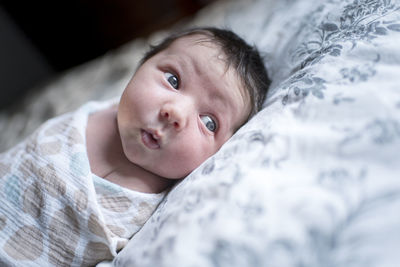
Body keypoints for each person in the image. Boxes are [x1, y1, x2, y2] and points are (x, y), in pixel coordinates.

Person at [0, 27, 270, 266]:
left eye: (209, 122)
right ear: (141, 66)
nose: (175, 113)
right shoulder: (99, 113)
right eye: (173, 80)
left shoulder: (162, 216)